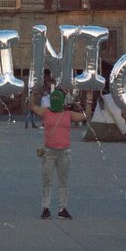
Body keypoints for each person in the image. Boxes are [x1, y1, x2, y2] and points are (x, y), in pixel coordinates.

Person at [29, 88, 87, 219]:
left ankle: (54, 208)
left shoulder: (60, 113)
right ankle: (53, 208)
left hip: (61, 152)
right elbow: (84, 115)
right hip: (53, 151)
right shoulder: (62, 113)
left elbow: (84, 116)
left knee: (57, 181)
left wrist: (87, 101)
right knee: (52, 181)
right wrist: (32, 94)